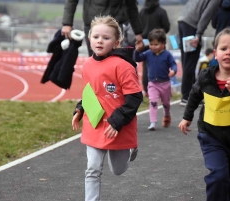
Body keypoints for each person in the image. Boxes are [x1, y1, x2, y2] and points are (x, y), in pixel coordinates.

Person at [178, 27, 230, 201]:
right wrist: (187, 117)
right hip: (210, 136)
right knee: (218, 176)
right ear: (215, 53)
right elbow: (194, 95)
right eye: (224, 49)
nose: (228, 53)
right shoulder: (205, 77)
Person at [71, 15, 143, 201]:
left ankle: (130, 148)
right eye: (96, 37)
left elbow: (135, 97)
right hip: (95, 126)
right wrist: (80, 110)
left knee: (118, 170)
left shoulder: (123, 66)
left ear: (116, 42)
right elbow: (90, 93)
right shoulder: (87, 65)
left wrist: (117, 120)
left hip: (118, 126)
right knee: (92, 168)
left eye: (106, 37)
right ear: (90, 39)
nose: (100, 41)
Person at [177, 0, 222, 106]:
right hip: (192, 24)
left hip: (182, 20)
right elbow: (207, 14)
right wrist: (198, 34)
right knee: (190, 62)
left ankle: (192, 95)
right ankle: (186, 97)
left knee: (186, 61)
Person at [61, 0, 143, 56]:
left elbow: (131, 6)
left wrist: (137, 32)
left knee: (115, 58)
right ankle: (94, 81)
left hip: (115, 25)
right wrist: (67, 23)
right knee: (95, 58)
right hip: (93, 24)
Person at [133, 28, 177, 131]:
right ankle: (152, 122)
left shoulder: (167, 54)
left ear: (163, 44)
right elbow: (137, 59)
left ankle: (166, 114)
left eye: (156, 44)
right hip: (153, 84)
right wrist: (137, 50)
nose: (153, 47)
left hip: (165, 84)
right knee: (153, 102)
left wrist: (173, 71)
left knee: (166, 103)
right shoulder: (148, 53)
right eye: (151, 44)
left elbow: (173, 64)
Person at [139, 0, 170, 97]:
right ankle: (160, 89)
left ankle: (147, 90)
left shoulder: (142, 12)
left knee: (145, 65)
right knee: (160, 63)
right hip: (157, 42)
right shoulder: (161, 11)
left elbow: (138, 27)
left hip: (145, 41)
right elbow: (167, 27)